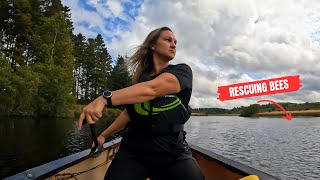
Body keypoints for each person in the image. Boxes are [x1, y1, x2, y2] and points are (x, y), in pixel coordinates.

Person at [78, 27, 204, 180]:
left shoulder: (182, 71)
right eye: (168, 40)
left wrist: (105, 98)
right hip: (134, 150)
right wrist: (103, 135)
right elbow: (128, 114)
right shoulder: (139, 82)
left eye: (175, 42)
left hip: (172, 150)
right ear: (153, 45)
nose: (173, 45)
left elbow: (152, 89)